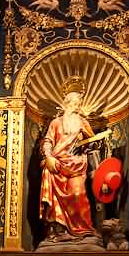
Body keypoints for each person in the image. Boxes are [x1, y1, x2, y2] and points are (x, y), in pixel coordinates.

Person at [39, 82, 101, 243]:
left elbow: (93, 143)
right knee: (54, 195)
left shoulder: (82, 122)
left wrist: (87, 141)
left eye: (78, 104)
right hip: (57, 164)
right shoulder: (56, 123)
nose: (76, 107)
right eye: (73, 104)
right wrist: (49, 156)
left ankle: (83, 231)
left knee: (78, 194)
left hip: (77, 165)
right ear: (66, 104)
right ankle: (58, 230)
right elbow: (48, 141)